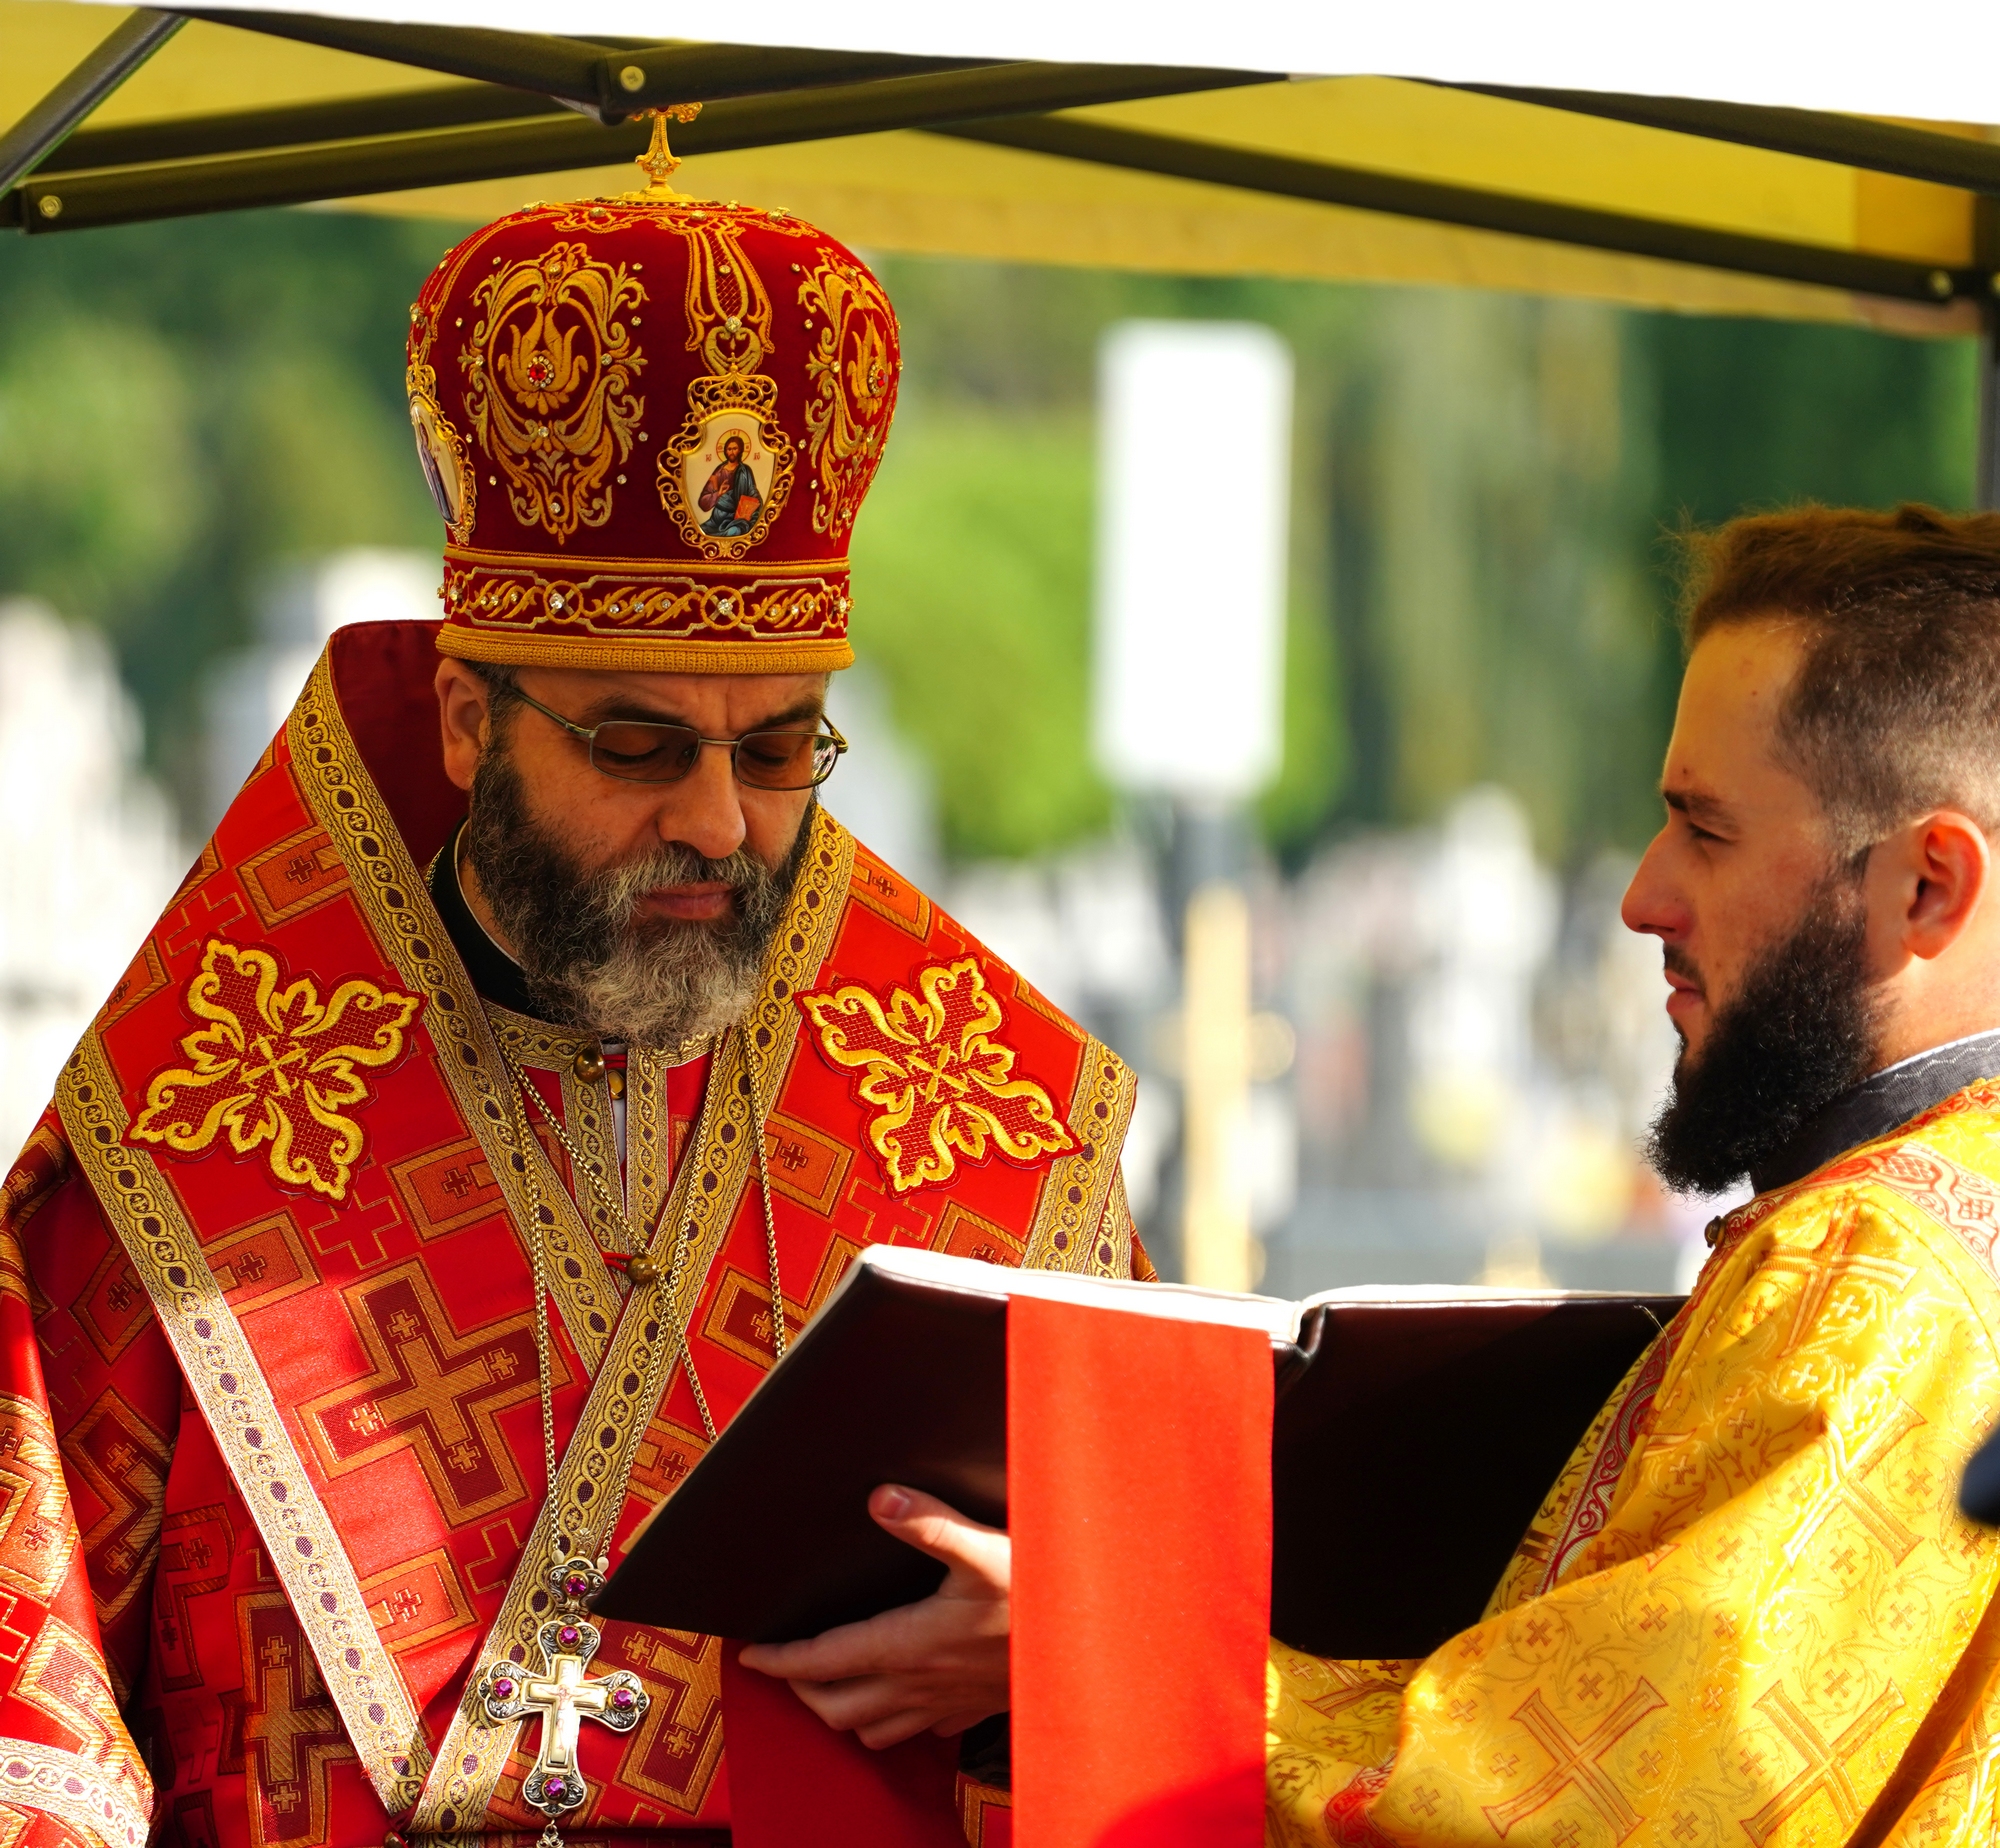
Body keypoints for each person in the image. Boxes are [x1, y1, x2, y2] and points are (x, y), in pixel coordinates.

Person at [0, 122, 1145, 1848]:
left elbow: (1192, 1674)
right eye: (635, 741)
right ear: (469, 720)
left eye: (779, 749)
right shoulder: (182, 1147)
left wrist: (1064, 1642)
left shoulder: (990, 1132)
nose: (715, 821)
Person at [1260, 503, 2000, 1845]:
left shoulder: (1881, 1262)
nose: (1643, 896)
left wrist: (1111, 1649)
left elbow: (1617, 1807)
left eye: (1705, 831)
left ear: (1928, 888)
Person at [698, 433, 761, 537]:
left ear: (740, 450)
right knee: (701, 530)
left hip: (735, 519)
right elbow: (703, 501)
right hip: (716, 519)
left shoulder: (745, 471)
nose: (731, 452)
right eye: (729, 449)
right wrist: (718, 494)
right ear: (725, 451)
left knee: (734, 532)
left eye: (734, 448)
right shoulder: (719, 471)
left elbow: (753, 493)